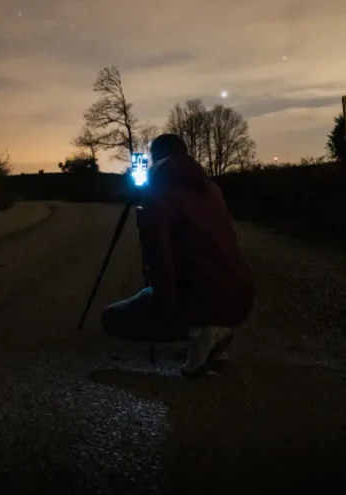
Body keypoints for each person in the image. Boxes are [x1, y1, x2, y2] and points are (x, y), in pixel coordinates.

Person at [101, 134, 255, 376]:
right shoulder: (210, 188)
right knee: (171, 289)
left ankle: (204, 334)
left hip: (207, 298)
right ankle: (210, 330)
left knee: (112, 318)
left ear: (154, 159)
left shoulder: (158, 197)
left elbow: (160, 262)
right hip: (240, 296)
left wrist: (165, 309)